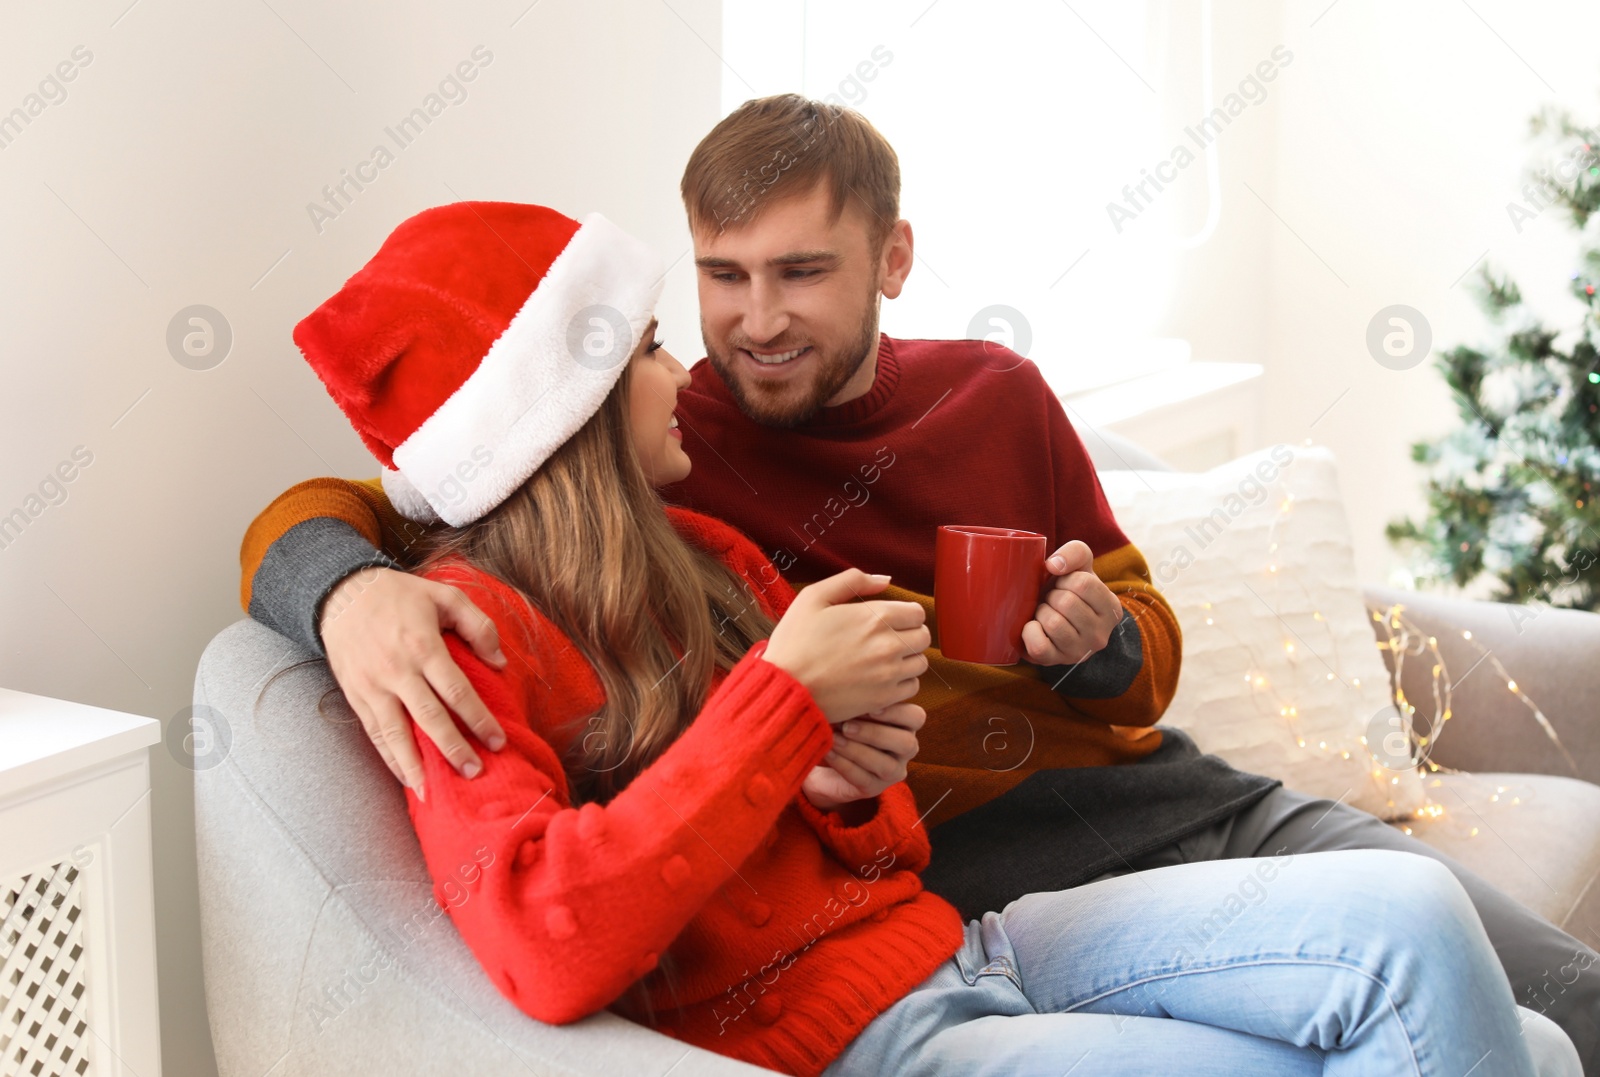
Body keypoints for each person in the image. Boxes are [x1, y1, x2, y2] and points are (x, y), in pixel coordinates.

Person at [241, 96, 1600, 1070]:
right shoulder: (674, 459)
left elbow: (1137, 644)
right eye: (717, 282)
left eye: (801, 274)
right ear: (580, 394)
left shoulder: (983, 401)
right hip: (975, 907)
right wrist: (338, 590)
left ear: (891, 262)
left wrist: (1097, 647)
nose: (751, 324)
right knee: (1507, 1035)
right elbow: (383, 497)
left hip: (1168, 816)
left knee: (1548, 994)